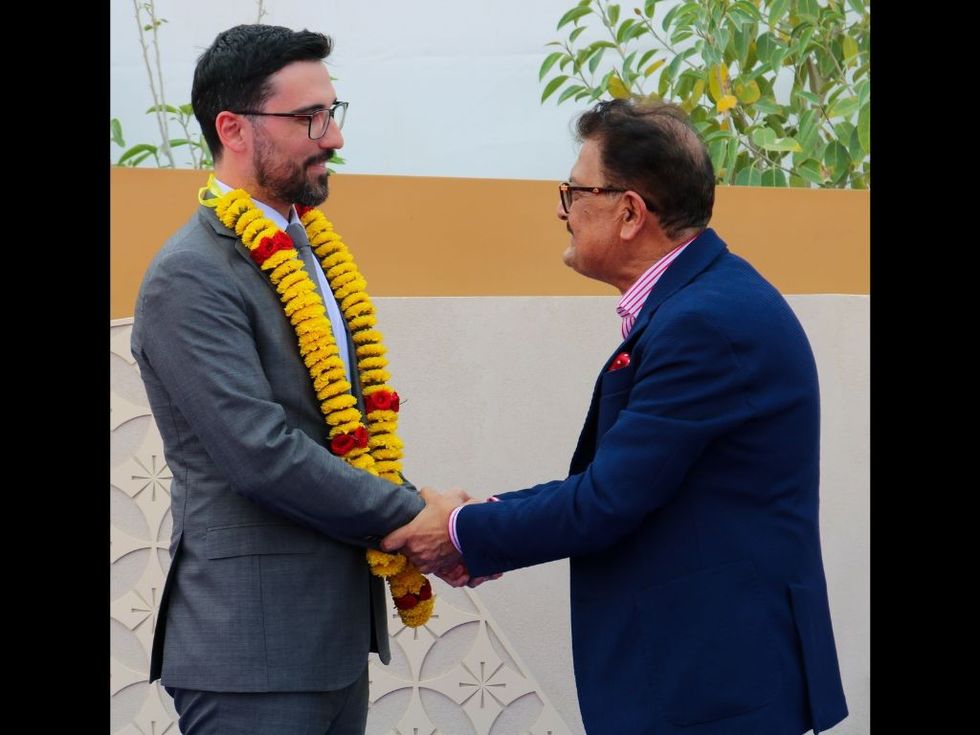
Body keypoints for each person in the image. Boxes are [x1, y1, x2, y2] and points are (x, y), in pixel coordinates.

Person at [383, 99, 849, 735]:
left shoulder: (704, 322)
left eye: (575, 192)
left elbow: (607, 501)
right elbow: (618, 485)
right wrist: (475, 526)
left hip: (714, 684)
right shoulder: (701, 302)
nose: (562, 211)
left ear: (630, 212)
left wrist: (460, 530)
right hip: (707, 671)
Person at [130, 24, 433, 734]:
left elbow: (340, 432)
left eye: (333, 113)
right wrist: (415, 515)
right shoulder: (190, 274)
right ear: (233, 129)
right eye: (309, 119)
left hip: (332, 647)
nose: (334, 138)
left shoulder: (309, 252)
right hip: (249, 658)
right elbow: (262, 453)